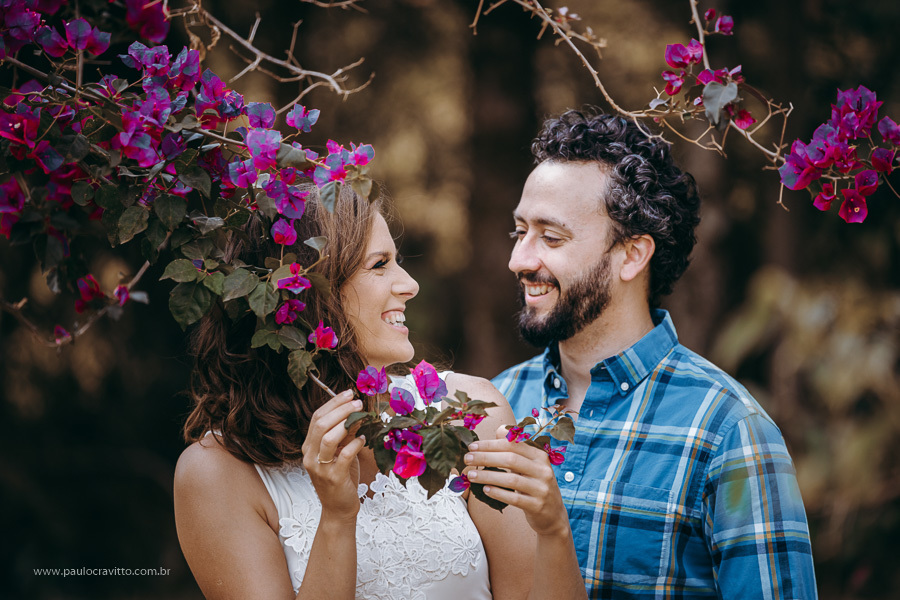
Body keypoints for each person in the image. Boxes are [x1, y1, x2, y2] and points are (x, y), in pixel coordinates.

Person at [173, 185, 585, 599]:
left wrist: (554, 531)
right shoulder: (216, 474)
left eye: (398, 261)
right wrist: (336, 517)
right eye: (379, 264)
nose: (409, 285)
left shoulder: (470, 415)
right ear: (307, 293)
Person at [470, 109, 818, 598]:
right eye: (519, 231)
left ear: (631, 255)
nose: (519, 260)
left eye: (551, 237)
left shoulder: (730, 432)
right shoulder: (495, 404)